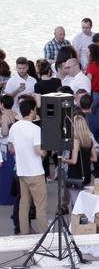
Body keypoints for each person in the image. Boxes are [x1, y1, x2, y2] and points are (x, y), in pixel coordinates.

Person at [10, 96, 44, 235]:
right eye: (35, 110)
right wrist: (46, 151)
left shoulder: (15, 127)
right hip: (35, 171)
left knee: (24, 204)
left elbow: (11, 148)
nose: (36, 112)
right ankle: (44, 235)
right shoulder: (35, 129)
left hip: (21, 170)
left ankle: (24, 233)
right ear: (31, 111)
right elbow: (39, 151)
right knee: (40, 205)